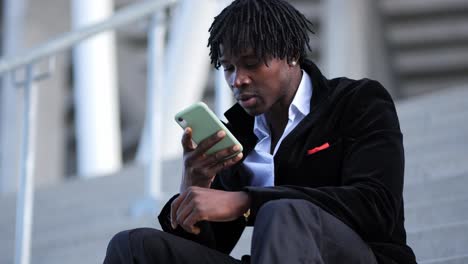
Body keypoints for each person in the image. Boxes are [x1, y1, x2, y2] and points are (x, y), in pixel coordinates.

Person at [104, 0, 417, 263]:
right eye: (228, 68)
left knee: (282, 214)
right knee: (132, 247)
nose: (237, 80)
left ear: (292, 54)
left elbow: (376, 206)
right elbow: (210, 248)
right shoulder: (237, 135)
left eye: (251, 63)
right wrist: (195, 186)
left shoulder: (357, 102)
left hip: (364, 257)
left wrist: (246, 201)